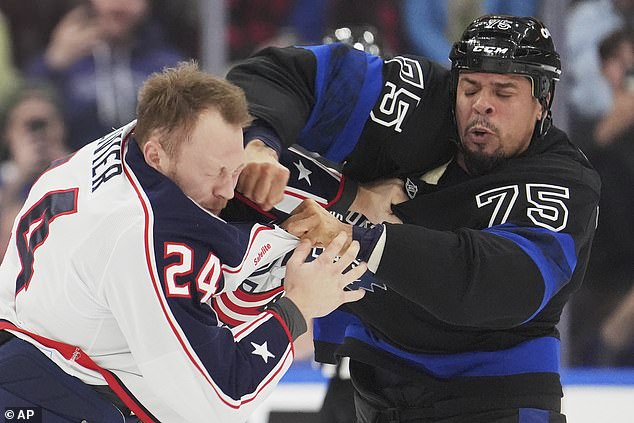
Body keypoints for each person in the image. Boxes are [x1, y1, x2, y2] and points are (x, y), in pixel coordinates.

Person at [227, 15, 601, 422]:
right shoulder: (418, 100)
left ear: (542, 101)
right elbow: (283, 74)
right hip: (378, 383)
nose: (481, 104)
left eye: (504, 91)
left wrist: (359, 235)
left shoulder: (563, 182)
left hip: (492, 396)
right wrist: (259, 141)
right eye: (470, 87)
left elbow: (496, 285)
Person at [0, 62, 367, 422]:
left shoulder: (138, 138)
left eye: (235, 169)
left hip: (35, 356)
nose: (228, 188)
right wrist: (299, 306)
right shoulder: (137, 234)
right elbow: (221, 399)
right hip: (57, 399)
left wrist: (351, 197)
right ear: (155, 155)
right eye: (214, 174)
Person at [25, 0, 185, 150]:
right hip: (74, 167)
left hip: (146, 169)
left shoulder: (167, 65)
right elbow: (25, 110)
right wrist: (52, 62)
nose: (119, 6)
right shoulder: (67, 58)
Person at [0, 82, 69, 256]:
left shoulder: (84, 168)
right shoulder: (5, 179)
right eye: (29, 126)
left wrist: (67, 168)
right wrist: (19, 177)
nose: (38, 135)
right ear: (9, 132)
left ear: (60, 127)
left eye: (44, 124)